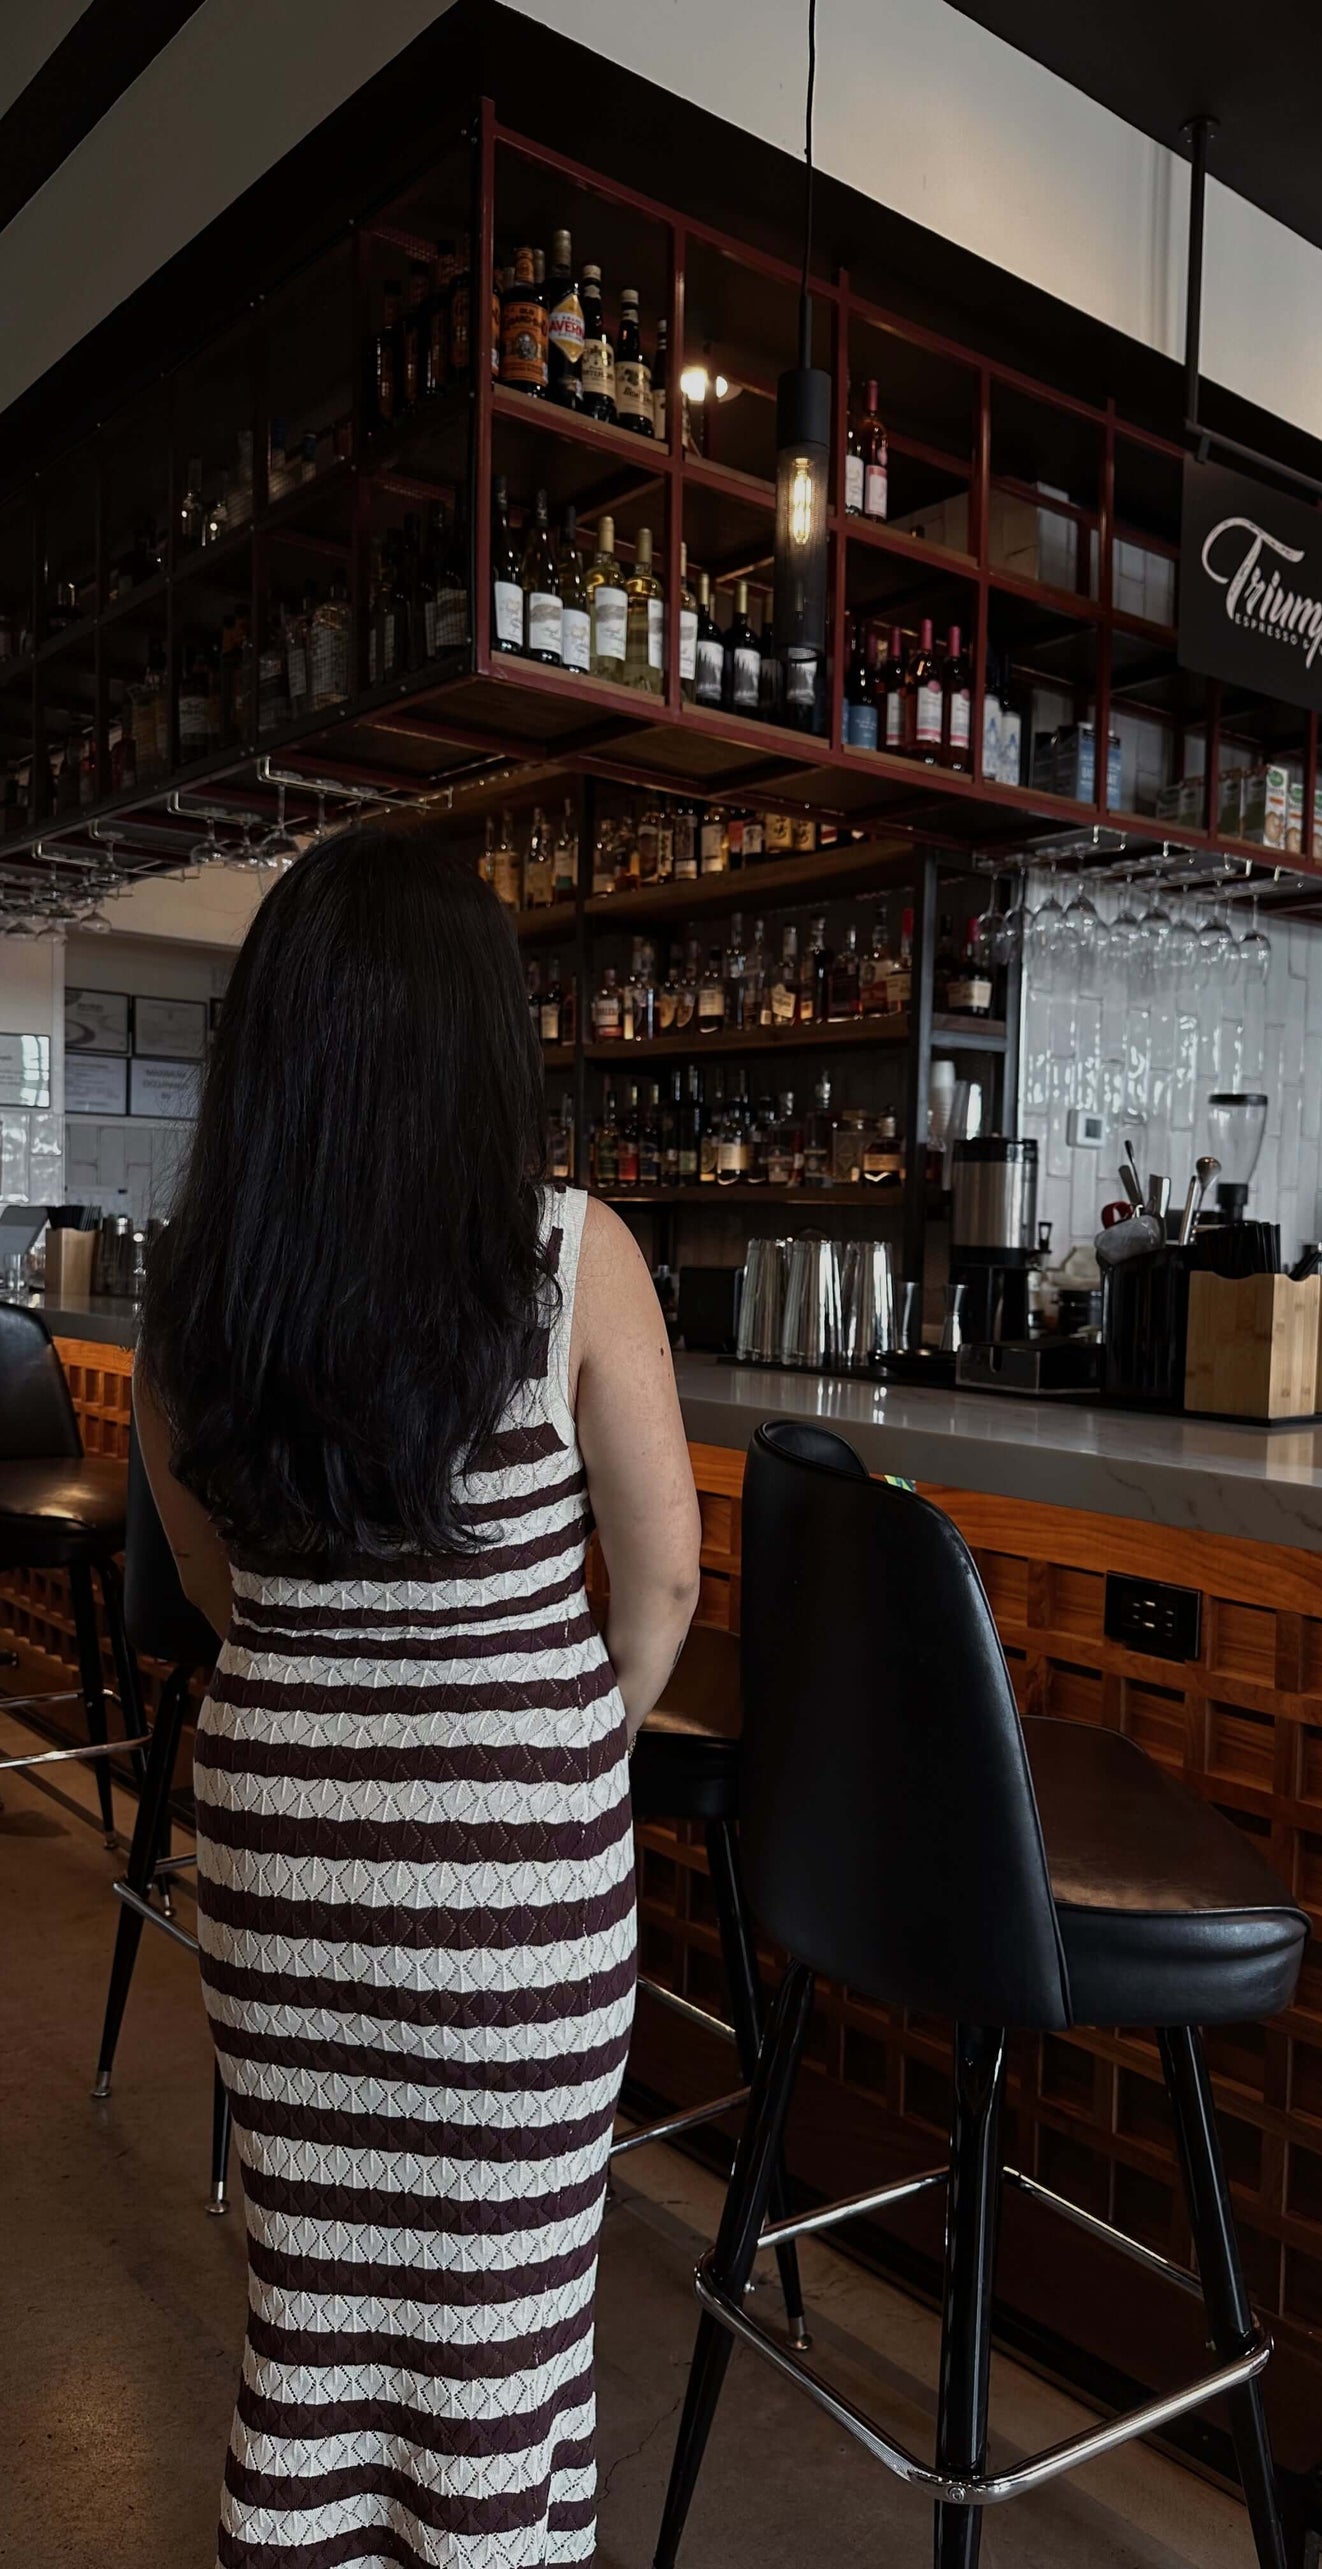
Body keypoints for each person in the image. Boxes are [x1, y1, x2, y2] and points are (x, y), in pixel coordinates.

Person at [135, 826, 700, 2569]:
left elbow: (216, 1584)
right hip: (517, 1897)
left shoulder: (202, 1280)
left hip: (280, 1858)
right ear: (483, 1042)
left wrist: (339, 1693)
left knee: (309, 2315)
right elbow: (665, 1574)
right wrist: (553, 1754)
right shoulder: (567, 1251)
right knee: (498, 2329)